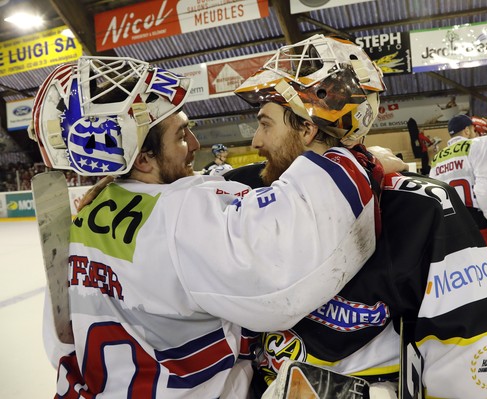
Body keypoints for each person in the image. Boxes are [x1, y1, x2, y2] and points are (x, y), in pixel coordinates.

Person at [30, 55, 382, 398]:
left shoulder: (79, 225)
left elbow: (60, 342)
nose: (194, 146)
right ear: (142, 158)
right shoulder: (180, 213)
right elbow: (287, 256)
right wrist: (354, 154)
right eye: (182, 135)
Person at [229, 35, 487, 398]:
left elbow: (472, 352)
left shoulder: (422, 208)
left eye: (265, 124)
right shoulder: (251, 190)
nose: (256, 141)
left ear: (307, 129)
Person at [429, 115, 487, 331]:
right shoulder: (480, 143)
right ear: (469, 130)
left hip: (454, 231)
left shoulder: (438, 158)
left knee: (472, 285)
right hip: (484, 226)